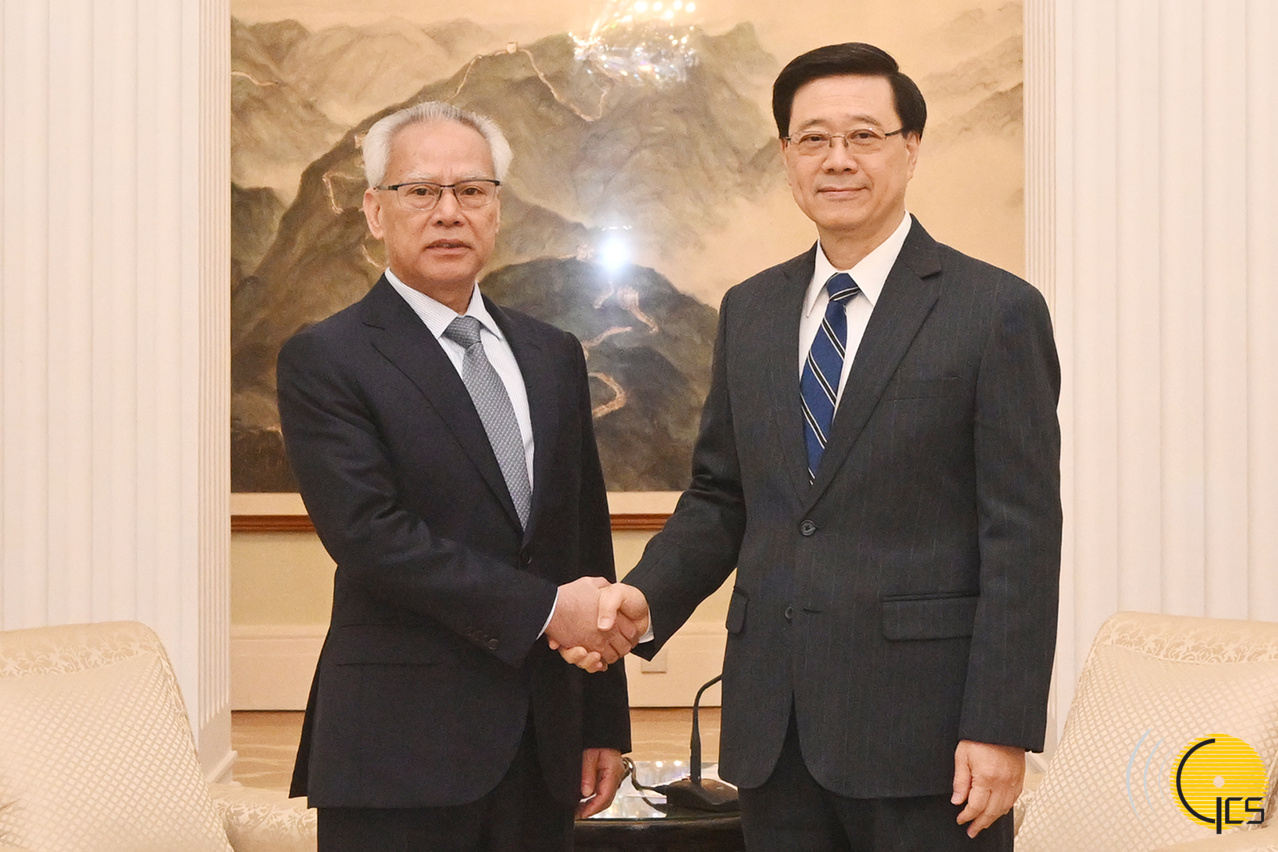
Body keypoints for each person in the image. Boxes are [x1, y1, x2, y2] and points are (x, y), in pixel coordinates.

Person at [562, 43, 1062, 851]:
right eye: (814, 139)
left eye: (864, 136)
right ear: (787, 155)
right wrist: (645, 598)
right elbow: (723, 496)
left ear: (910, 148)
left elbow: (1022, 535)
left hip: (929, 740)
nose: (838, 159)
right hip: (775, 732)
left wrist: (1000, 726)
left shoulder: (994, 311)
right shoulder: (751, 310)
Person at [278, 101, 641, 851]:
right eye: (420, 191)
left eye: (472, 191)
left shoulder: (552, 353)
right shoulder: (328, 357)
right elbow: (372, 537)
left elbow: (583, 539)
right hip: (398, 749)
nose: (449, 212)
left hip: (543, 745)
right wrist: (549, 610)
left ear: (496, 210)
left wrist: (602, 721)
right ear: (375, 212)